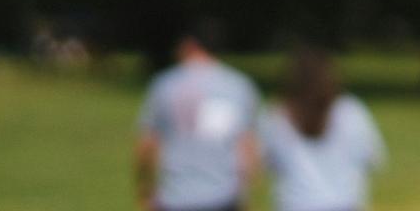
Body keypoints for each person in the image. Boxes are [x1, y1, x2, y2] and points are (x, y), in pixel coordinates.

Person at [135, 26, 261, 211]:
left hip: (175, 196)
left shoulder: (165, 84)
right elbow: (247, 147)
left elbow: (147, 144)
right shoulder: (237, 86)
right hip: (223, 196)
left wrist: (145, 190)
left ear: (189, 45)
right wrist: (245, 192)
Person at [258, 48, 386, 211]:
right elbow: (374, 159)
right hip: (344, 202)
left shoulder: (276, 116)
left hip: (295, 204)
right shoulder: (351, 111)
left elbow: (262, 164)